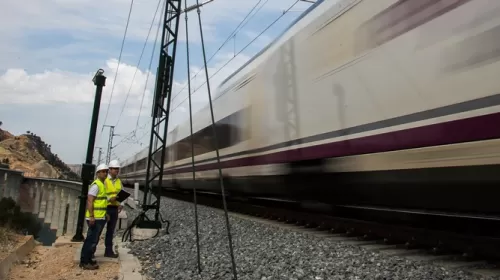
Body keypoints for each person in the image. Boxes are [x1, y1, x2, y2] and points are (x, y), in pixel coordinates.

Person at [79, 163, 109, 270]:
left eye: (106, 171)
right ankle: (84, 262)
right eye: (103, 171)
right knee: (90, 240)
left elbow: (102, 203)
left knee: (93, 240)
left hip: (100, 217)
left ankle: (88, 259)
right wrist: (92, 216)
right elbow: (90, 201)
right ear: (98, 173)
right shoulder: (96, 185)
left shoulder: (102, 184)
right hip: (94, 218)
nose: (105, 173)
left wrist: (106, 214)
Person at [92, 159, 123, 259]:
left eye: (117, 169)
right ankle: (91, 251)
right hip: (105, 208)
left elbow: (121, 192)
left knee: (110, 231)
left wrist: (121, 203)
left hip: (114, 209)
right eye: (114, 169)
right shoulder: (104, 180)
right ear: (109, 169)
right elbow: (101, 194)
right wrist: (110, 199)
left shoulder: (118, 181)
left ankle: (108, 251)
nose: (116, 171)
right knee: (98, 230)